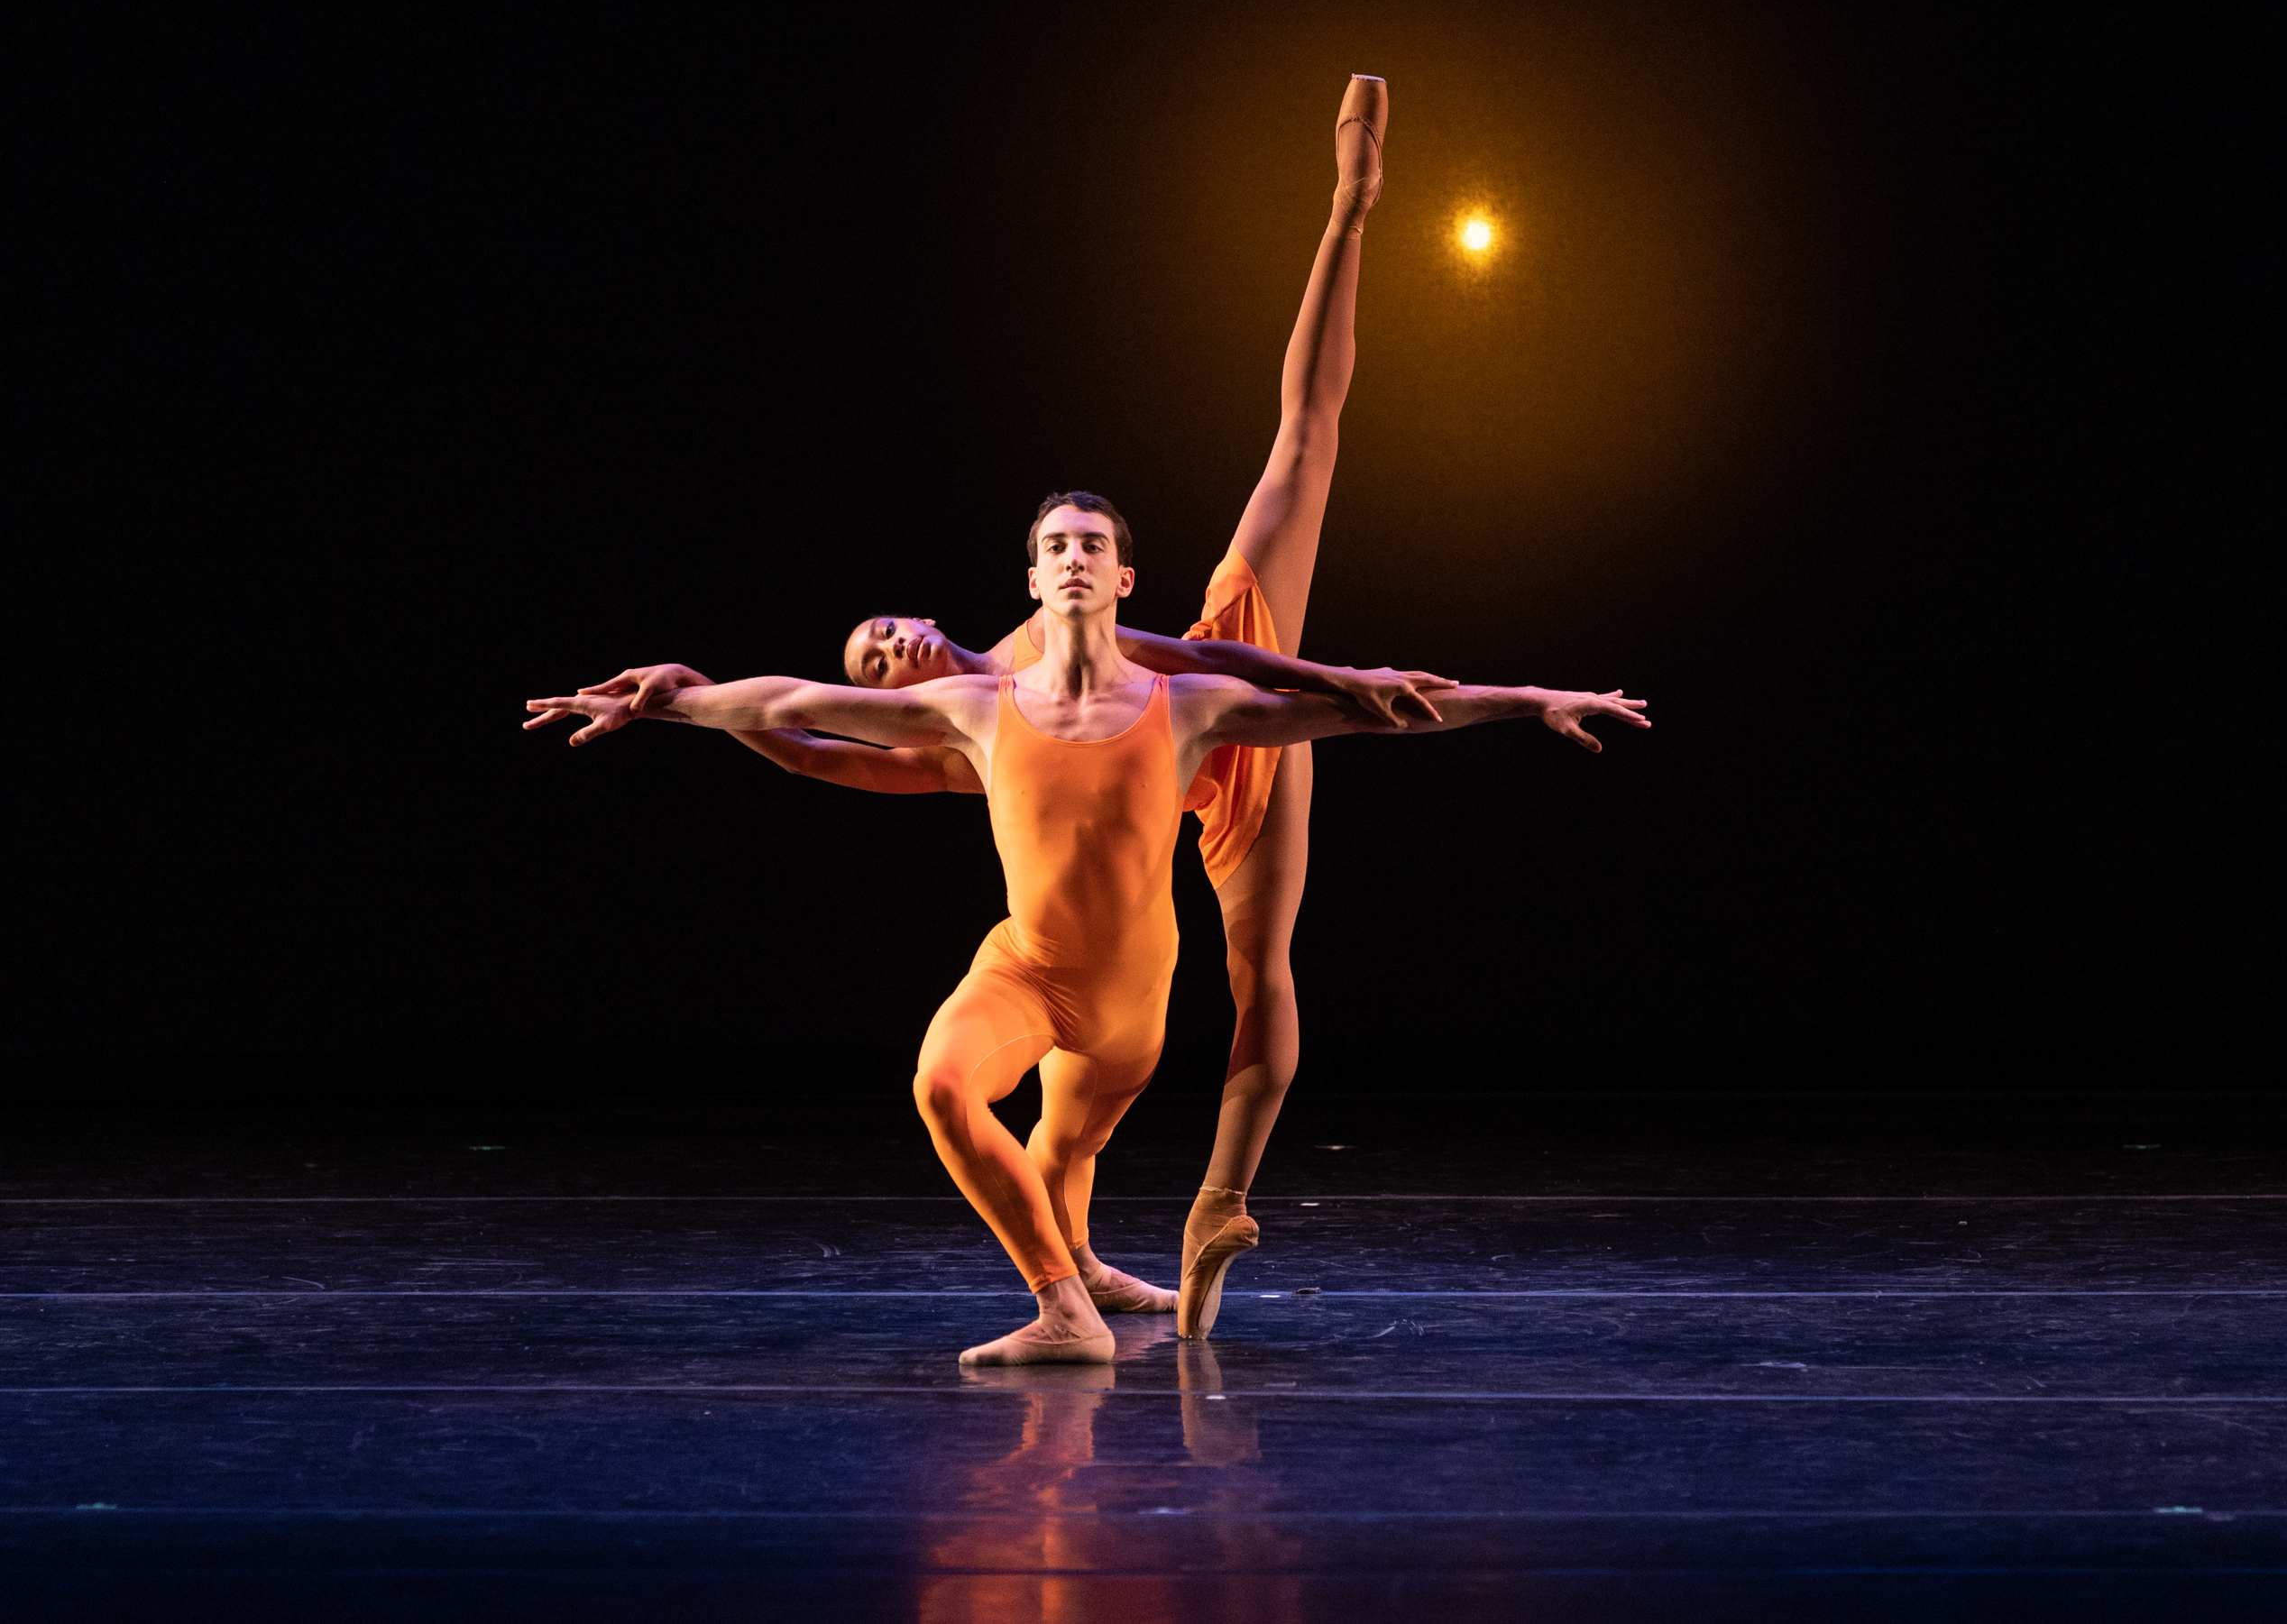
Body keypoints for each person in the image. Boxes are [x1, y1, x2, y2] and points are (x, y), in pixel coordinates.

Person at [571, 76, 1411, 1338]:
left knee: (1302, 450)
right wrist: (699, 705)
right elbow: (802, 734)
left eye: (884, 622)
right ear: (898, 695)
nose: (888, 640)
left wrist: (1346, 210)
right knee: (1177, 1027)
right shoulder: (970, 735)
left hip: (1215, 712)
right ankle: (1149, 1239)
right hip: (1193, 792)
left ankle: (1347, 215)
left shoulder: (1041, 630)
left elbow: (1181, 632)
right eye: (875, 658)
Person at [527, 495, 1649, 1364]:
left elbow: (1371, 712)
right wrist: (679, 692)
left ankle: (1086, 1269)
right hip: (1021, 969)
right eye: (1052, 544)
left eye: (1088, 542)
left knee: (1063, 1152)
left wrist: (1527, 696)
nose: (1070, 556)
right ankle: (1065, 1310)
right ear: (1027, 578)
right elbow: (792, 709)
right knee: (942, 1085)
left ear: (1119, 575)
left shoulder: (1186, 705)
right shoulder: (968, 712)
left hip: (1128, 1009)